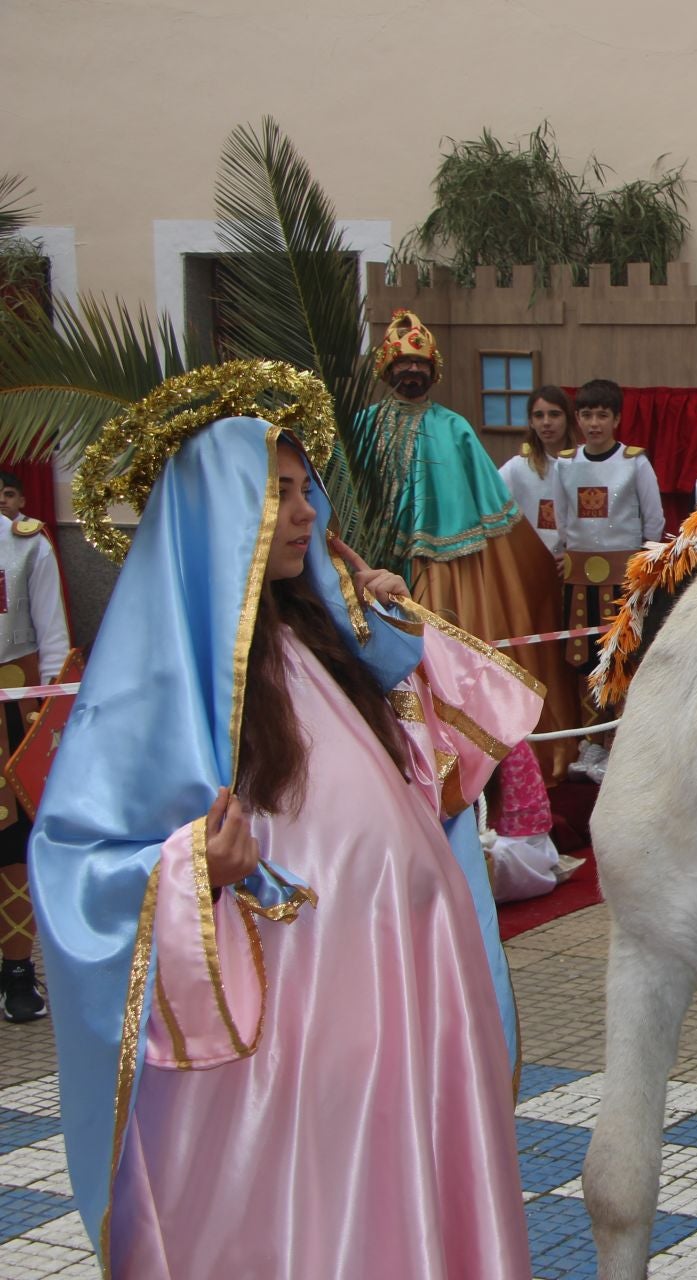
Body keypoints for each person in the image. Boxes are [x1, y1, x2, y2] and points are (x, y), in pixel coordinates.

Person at [31, 391, 539, 1278]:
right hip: (291, 1030)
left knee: (399, 1191)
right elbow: (77, 858)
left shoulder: (321, 633)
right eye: (282, 493)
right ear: (221, 514)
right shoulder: (161, 676)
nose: (309, 510)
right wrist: (193, 865)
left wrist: (387, 621)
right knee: (315, 1216)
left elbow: (444, 763)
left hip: (403, 991)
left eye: (307, 490)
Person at [348, 308, 574, 776]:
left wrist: (531, 559)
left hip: (444, 565)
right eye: (404, 365)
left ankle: (456, 761)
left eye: (421, 365)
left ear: (433, 372)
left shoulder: (455, 428)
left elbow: (494, 503)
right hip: (371, 565)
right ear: (388, 370)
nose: (412, 372)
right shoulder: (362, 426)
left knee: (442, 662)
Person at [554, 378, 664, 780]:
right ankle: (590, 741)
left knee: (622, 658)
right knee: (583, 658)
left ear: (616, 418)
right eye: (586, 414)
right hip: (579, 578)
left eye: (602, 414)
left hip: (624, 577)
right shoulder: (565, 464)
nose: (594, 423)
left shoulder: (635, 462)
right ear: (578, 419)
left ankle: (619, 740)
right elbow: (562, 520)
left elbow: (653, 520)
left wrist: (644, 571)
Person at [0, 505, 70, 1022]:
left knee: (12, 843)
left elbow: (52, 638)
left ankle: (18, 971)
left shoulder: (27, 543)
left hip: (11, 706)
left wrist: (45, 718)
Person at [497, 385, 579, 556]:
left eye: (554, 414)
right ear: (531, 422)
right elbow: (487, 501)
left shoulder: (584, 463)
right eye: (538, 415)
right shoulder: (517, 467)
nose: (546, 422)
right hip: (532, 563)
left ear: (569, 418)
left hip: (577, 563)